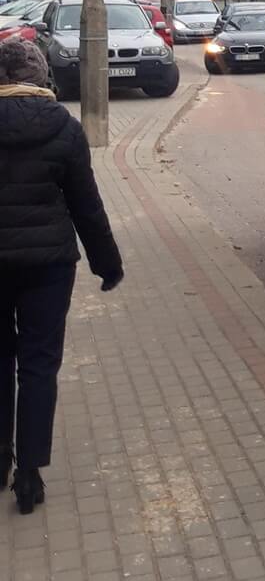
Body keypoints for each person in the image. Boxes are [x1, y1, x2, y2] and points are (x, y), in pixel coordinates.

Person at [0, 38, 124, 514]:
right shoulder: (63, 128)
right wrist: (107, 265)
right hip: (48, 268)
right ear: (40, 77)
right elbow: (85, 206)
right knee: (37, 366)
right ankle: (29, 476)